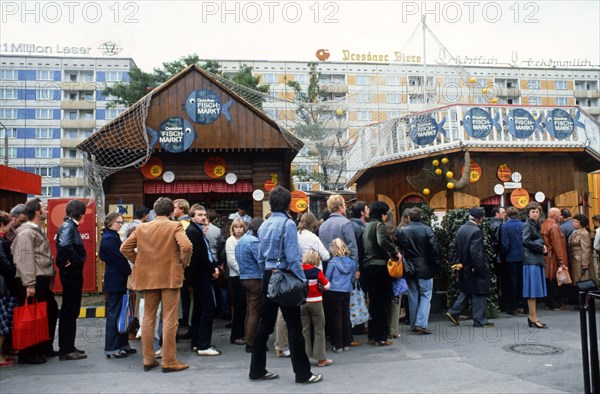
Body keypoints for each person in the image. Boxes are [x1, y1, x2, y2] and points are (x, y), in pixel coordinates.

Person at [249, 186, 322, 384]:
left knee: (265, 324)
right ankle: (303, 374)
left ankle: (256, 370)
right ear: (288, 203)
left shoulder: (263, 225)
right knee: (294, 326)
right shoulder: (288, 224)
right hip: (285, 275)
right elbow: (292, 256)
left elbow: (259, 256)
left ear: (271, 203)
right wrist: (302, 279)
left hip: (268, 275)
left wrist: (267, 273)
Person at [120, 197, 193, 373]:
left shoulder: (142, 227)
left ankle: (148, 359)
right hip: (169, 276)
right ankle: (169, 361)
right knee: (170, 319)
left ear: (154, 210)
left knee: (147, 318)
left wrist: (139, 261)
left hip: (148, 277)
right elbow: (187, 246)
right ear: (170, 212)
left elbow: (124, 248)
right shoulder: (175, 226)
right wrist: (183, 264)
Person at [11, 198, 59, 364]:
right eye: (44, 208)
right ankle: (28, 354)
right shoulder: (26, 233)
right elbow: (24, 260)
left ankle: (44, 347)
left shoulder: (35, 230)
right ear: (37, 212)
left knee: (49, 311)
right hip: (32, 280)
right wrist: (29, 284)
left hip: (40, 279)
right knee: (30, 317)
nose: (47, 210)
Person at [446, 208, 494, 328]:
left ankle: (453, 312)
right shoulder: (476, 231)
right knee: (479, 292)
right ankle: (479, 321)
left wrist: (457, 263)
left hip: (463, 267)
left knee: (466, 291)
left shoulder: (461, 228)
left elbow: (455, 248)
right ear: (480, 219)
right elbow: (476, 253)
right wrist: (479, 268)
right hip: (473, 267)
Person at [185, 205, 222, 357]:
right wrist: (212, 270)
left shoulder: (196, 231)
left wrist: (213, 267)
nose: (203, 217)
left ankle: (197, 342)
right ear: (192, 216)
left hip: (199, 274)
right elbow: (200, 256)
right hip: (199, 274)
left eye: (204, 214)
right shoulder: (193, 232)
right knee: (209, 307)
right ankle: (203, 345)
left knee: (200, 308)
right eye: (200, 214)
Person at [363, 201, 401, 346]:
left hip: (368, 267)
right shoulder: (380, 225)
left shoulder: (367, 226)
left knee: (373, 302)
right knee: (382, 302)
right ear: (383, 214)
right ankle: (381, 337)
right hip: (379, 267)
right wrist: (395, 252)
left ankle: (372, 335)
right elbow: (382, 241)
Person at [398, 207, 440, 335]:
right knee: (426, 295)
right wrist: (436, 264)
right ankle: (420, 323)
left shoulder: (403, 231)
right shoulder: (427, 229)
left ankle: (414, 323)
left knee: (413, 295)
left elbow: (401, 249)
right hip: (425, 266)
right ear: (421, 217)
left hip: (410, 266)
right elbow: (434, 249)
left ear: (409, 217)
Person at [55, 199, 88, 361]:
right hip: (71, 273)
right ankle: (66, 349)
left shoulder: (67, 226)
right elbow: (65, 244)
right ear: (81, 213)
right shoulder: (69, 227)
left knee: (70, 310)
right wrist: (77, 260)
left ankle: (69, 346)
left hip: (69, 273)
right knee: (70, 310)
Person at [100, 212, 135, 358]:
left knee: (122, 312)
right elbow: (118, 260)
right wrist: (129, 271)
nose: (120, 225)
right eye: (118, 222)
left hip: (117, 278)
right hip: (116, 280)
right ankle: (112, 347)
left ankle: (122, 344)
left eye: (121, 222)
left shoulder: (112, 236)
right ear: (110, 223)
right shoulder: (109, 238)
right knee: (114, 313)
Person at [236, 217, 264, 353]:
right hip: (255, 278)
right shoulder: (254, 241)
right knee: (255, 311)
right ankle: (251, 342)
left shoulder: (241, 240)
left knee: (250, 310)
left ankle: (249, 338)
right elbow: (260, 260)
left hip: (244, 277)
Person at [301, 250, 331, 367]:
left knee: (305, 329)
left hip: (303, 302)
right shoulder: (317, 272)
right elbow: (327, 285)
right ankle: (321, 359)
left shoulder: (299, 270)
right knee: (319, 329)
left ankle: (304, 357)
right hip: (316, 302)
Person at [325, 238, 356, 353]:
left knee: (336, 318)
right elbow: (353, 278)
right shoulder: (352, 262)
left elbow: (327, 278)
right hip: (346, 290)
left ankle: (338, 345)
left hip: (334, 291)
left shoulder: (332, 262)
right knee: (346, 316)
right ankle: (346, 343)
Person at [521, 202, 548, 329]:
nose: (535, 214)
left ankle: (533, 317)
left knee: (534, 291)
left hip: (535, 259)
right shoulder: (527, 225)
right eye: (533, 212)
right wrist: (540, 246)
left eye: (537, 212)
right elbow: (525, 241)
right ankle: (533, 317)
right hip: (531, 260)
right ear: (528, 213)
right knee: (532, 291)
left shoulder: (536, 224)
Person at [0, 211, 19, 367]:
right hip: (4, 287)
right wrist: (16, 274)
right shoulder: (0, 242)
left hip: (4, 286)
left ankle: (3, 352)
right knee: (3, 323)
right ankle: (0, 355)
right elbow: (5, 265)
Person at [501, 206, 526, 315]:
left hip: (511, 257)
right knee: (523, 281)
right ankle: (525, 306)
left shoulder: (505, 226)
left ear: (507, 214)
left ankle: (513, 307)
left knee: (512, 282)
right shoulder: (523, 225)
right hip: (523, 256)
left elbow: (505, 244)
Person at [541, 207, 568, 310]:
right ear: (555, 216)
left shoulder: (544, 225)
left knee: (549, 281)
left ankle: (548, 303)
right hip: (553, 258)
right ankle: (556, 304)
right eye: (560, 214)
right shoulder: (554, 226)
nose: (561, 217)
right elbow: (558, 246)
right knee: (555, 282)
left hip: (546, 257)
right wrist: (562, 262)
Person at [226, 218, 247, 345]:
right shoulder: (230, 240)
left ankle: (243, 333)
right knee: (239, 306)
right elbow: (231, 260)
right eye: (236, 227)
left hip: (245, 275)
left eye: (241, 227)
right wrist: (242, 272)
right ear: (232, 229)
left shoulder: (245, 240)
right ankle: (236, 335)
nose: (239, 229)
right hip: (236, 276)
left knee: (244, 306)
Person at [172, 199, 191, 338]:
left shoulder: (182, 224)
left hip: (182, 269)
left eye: (174, 207)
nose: (172, 209)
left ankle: (182, 323)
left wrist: (183, 263)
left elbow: (184, 247)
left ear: (182, 209)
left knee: (182, 298)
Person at [568, 214, 598, 285]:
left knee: (582, 279)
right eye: (574, 221)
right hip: (575, 258)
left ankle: (584, 295)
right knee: (577, 279)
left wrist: (584, 263)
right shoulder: (576, 231)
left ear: (581, 224)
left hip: (580, 260)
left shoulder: (584, 233)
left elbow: (586, 248)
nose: (573, 223)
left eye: (576, 222)